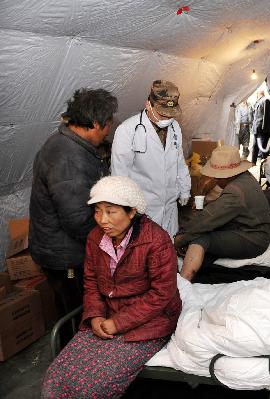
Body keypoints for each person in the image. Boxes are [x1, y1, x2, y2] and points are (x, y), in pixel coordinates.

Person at [42, 176, 182, 399]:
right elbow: (91, 282)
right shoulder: (95, 238)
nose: (102, 220)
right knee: (56, 377)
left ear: (132, 211)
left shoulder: (157, 241)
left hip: (150, 321)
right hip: (107, 316)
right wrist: (96, 315)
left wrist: (118, 323)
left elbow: (162, 294)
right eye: (97, 211)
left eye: (110, 211)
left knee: (92, 387)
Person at [29, 88, 118, 346]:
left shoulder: (71, 143)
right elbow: (78, 219)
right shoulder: (68, 158)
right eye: (107, 125)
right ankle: (75, 360)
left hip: (60, 247)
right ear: (94, 124)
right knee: (77, 311)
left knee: (74, 306)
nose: (108, 131)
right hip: (63, 255)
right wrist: (114, 238)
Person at [175, 146, 270, 281]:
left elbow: (206, 220)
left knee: (201, 237)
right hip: (254, 229)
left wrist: (181, 238)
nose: (215, 179)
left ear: (229, 175)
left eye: (217, 177)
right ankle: (200, 267)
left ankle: (183, 283)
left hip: (255, 238)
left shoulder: (235, 191)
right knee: (203, 233)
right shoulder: (245, 177)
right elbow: (218, 210)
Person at [111, 80, 191, 238]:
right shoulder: (128, 130)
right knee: (144, 255)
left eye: (171, 114)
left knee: (168, 252)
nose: (167, 118)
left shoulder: (175, 128)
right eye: (162, 114)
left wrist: (185, 189)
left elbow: (179, 161)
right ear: (148, 104)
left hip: (169, 208)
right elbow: (120, 175)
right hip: (143, 210)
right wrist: (126, 208)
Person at [251, 90, 270, 164]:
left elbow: (266, 116)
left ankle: (266, 166)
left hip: (262, 130)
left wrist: (264, 129)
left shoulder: (265, 100)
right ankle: (253, 163)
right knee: (255, 147)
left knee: (264, 148)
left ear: (258, 94)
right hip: (257, 129)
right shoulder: (258, 101)